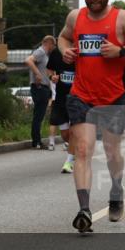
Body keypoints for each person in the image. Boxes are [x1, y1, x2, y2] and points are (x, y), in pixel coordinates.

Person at [58, 0, 125, 233]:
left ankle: (116, 189)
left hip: (112, 97)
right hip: (81, 95)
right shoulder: (75, 17)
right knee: (82, 150)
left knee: (112, 152)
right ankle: (84, 210)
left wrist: (121, 51)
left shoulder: (121, 18)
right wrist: (64, 50)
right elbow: (64, 36)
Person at [47, 40, 76, 173]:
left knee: (76, 131)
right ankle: (76, 149)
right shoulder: (56, 53)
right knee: (65, 134)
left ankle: (69, 161)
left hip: (79, 97)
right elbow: (49, 69)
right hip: (61, 97)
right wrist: (52, 76)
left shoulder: (81, 51)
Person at [25, 35, 57, 149]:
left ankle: (37, 140)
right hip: (39, 87)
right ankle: (37, 141)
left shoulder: (44, 54)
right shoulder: (41, 52)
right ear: (48, 43)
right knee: (39, 115)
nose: (54, 47)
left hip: (42, 87)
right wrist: (38, 74)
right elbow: (29, 60)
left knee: (38, 114)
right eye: (53, 45)